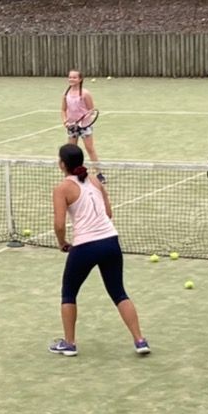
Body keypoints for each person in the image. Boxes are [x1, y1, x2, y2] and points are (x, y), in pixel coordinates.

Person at [48, 143, 148, 358]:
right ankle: (140, 340)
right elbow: (108, 213)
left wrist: (62, 242)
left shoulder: (62, 189)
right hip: (111, 242)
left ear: (62, 164)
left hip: (85, 246)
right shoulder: (95, 180)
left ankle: (70, 343)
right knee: (119, 292)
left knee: (68, 293)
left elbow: (59, 225)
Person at [62, 70, 101, 172]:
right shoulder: (65, 94)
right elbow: (63, 109)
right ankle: (71, 172)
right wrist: (65, 121)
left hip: (85, 126)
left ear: (80, 79)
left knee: (89, 148)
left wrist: (82, 121)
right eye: (70, 77)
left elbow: (91, 110)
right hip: (72, 126)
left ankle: (99, 173)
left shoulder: (85, 93)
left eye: (74, 77)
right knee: (71, 151)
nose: (71, 79)